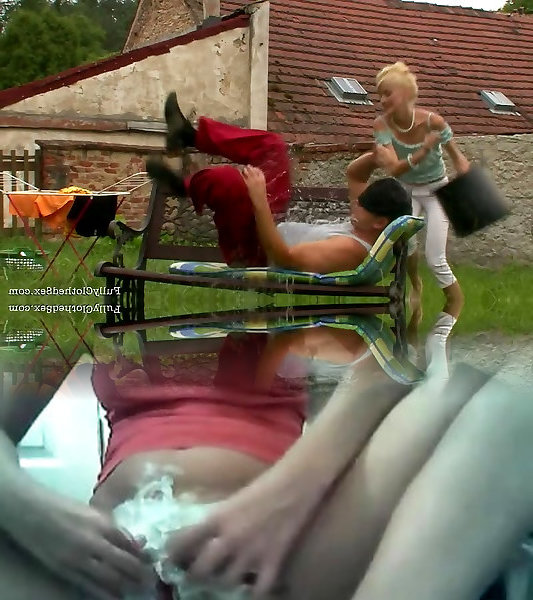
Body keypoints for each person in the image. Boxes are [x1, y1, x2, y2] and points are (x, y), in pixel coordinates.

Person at [146, 92, 412, 274]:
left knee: (231, 181)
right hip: (268, 225)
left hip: (255, 253)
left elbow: (285, 258)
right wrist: (376, 156)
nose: (355, 204)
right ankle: (189, 137)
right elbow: (355, 175)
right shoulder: (367, 224)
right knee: (273, 146)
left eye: (361, 205)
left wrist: (259, 200)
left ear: (379, 222)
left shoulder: (350, 250)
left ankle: (183, 187)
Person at [372, 61, 470, 314]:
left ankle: (456, 305)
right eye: (379, 95)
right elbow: (395, 169)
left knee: (436, 259)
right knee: (406, 248)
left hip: (437, 192)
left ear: (405, 93)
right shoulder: (382, 126)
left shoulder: (433, 121)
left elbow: (458, 157)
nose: (382, 100)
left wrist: (462, 167)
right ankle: (415, 284)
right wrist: (424, 150)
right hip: (405, 192)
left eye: (387, 93)